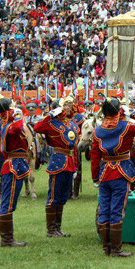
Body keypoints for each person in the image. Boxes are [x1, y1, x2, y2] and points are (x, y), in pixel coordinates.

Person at [90, 97, 135, 257]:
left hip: (104, 173)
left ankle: (107, 248)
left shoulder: (97, 131)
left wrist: (95, 177)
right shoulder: (126, 127)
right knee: (117, 211)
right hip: (121, 172)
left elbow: (95, 155)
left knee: (104, 210)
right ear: (119, 111)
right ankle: (116, 249)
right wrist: (133, 113)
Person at [34, 96, 79, 238]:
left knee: (64, 196)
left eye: (69, 105)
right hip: (58, 161)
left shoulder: (72, 124)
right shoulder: (51, 123)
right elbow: (37, 128)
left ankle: (58, 228)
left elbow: (74, 147)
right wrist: (49, 115)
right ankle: (51, 229)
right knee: (54, 195)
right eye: (64, 105)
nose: (67, 107)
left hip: (70, 161)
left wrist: (76, 165)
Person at [0, 96, 30, 247]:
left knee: (11, 203)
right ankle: (7, 239)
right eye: (11, 109)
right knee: (7, 203)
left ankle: (8, 239)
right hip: (12, 166)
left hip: (17, 164)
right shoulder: (8, 126)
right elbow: (17, 128)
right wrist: (18, 114)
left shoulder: (9, 124)